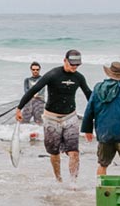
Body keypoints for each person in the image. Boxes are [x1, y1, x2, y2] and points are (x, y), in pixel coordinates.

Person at [17, 49, 92, 185]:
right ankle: (58, 179)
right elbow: (33, 90)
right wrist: (19, 108)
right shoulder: (53, 74)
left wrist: (98, 112)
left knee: (74, 151)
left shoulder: (79, 77)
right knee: (54, 152)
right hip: (51, 118)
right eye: (72, 64)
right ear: (65, 60)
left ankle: (73, 183)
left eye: (77, 65)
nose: (74, 67)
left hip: (70, 117)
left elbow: (89, 95)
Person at [22, 62, 45, 126]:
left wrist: (34, 95)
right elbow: (26, 90)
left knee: (39, 120)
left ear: (39, 70)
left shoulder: (43, 79)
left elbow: (41, 90)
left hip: (39, 101)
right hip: (28, 101)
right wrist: (31, 95)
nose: (35, 71)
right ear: (31, 70)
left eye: (37, 70)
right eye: (33, 69)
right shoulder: (27, 80)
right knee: (24, 121)